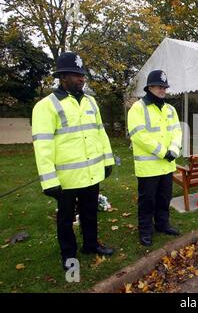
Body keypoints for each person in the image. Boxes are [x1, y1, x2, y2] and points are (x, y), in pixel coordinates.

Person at [31, 52, 115, 271]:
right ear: (62, 77)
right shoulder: (45, 106)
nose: (81, 79)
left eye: (82, 75)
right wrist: (49, 181)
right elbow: (43, 145)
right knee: (66, 219)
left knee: (90, 213)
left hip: (92, 173)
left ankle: (90, 245)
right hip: (66, 178)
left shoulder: (91, 102)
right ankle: (68, 255)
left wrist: (107, 160)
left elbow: (100, 133)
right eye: (75, 75)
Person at [127, 70, 182, 247]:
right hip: (149, 167)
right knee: (147, 201)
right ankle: (145, 231)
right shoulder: (138, 108)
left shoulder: (170, 109)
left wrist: (174, 149)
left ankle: (162, 224)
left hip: (167, 165)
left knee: (164, 198)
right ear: (150, 87)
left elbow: (177, 131)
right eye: (160, 86)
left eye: (165, 87)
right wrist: (162, 151)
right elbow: (138, 135)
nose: (163, 90)